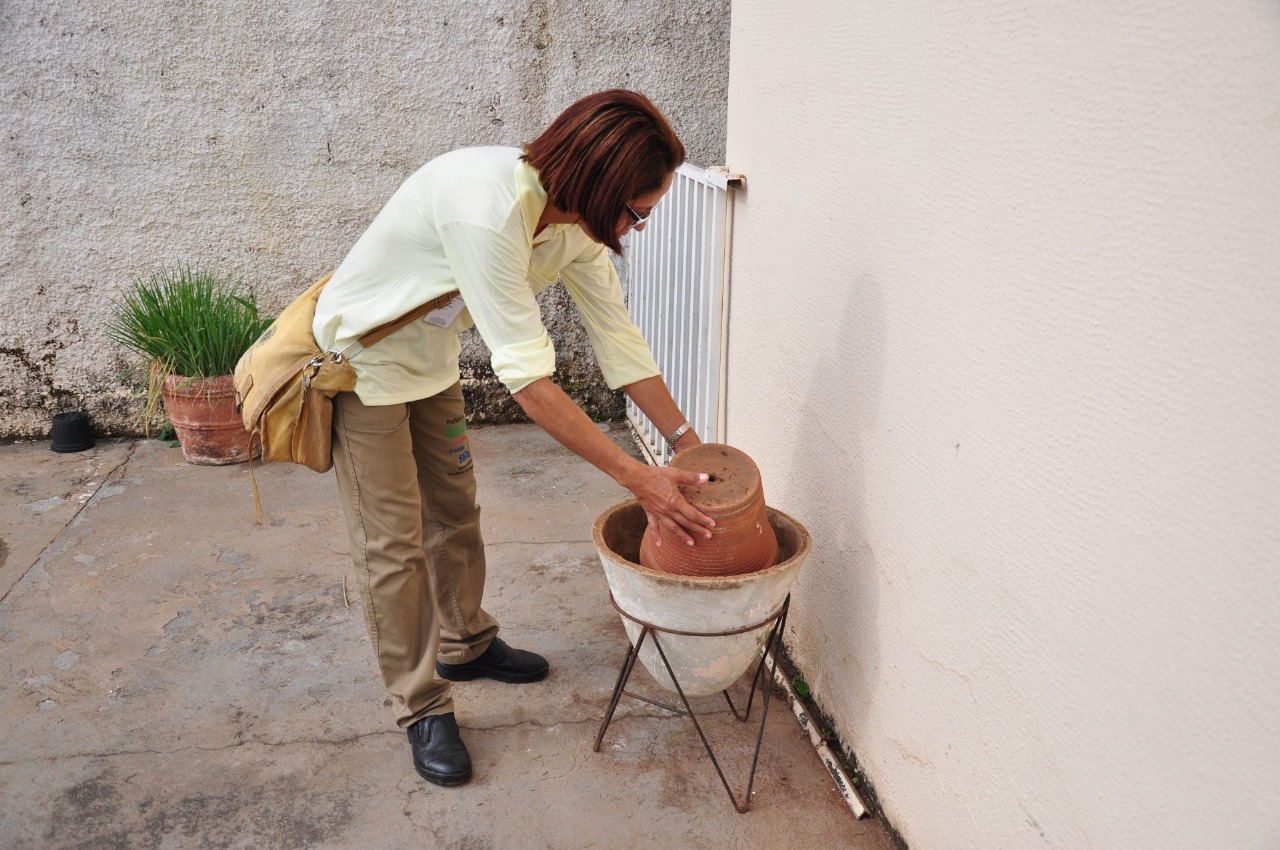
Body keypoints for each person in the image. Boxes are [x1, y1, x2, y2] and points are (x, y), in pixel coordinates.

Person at [312, 89, 715, 787]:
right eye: (638, 211)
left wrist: (686, 442)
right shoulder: (489, 207)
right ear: (601, 185)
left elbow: (619, 344)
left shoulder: (574, 228)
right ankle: (421, 706)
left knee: (455, 512)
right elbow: (530, 383)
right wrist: (636, 477)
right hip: (364, 366)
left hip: (429, 363)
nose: (640, 227)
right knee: (395, 543)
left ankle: (465, 644)